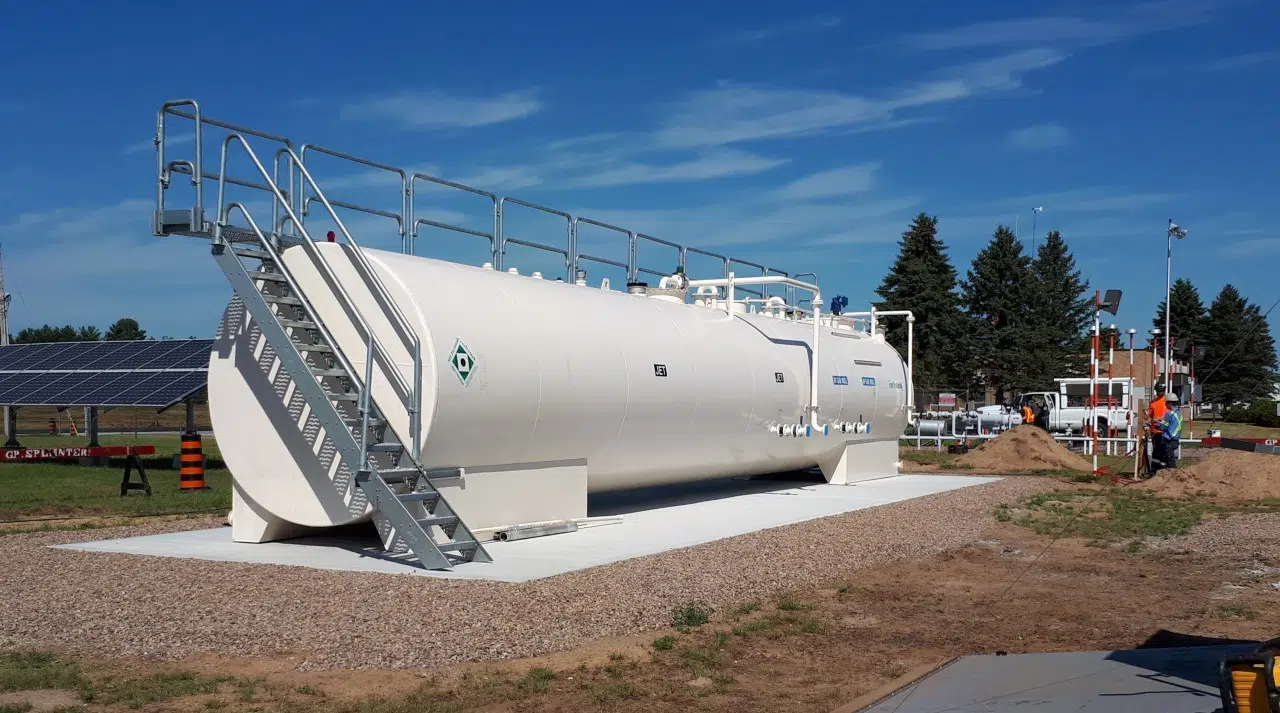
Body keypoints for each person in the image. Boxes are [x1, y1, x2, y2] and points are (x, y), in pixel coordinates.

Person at [1156, 393, 1184, 470]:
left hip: (1169, 440)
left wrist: (1155, 424)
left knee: (1169, 461)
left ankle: (1172, 474)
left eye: (1166, 402)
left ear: (1170, 403)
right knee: (1169, 459)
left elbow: (1163, 426)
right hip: (1176, 440)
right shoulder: (1179, 414)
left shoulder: (1169, 414)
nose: (1165, 404)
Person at [1147, 382, 1168, 475]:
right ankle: (1154, 470)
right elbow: (1149, 416)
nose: (1158, 393)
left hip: (1164, 431)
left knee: (1164, 451)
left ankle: (1164, 470)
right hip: (1154, 431)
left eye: (1160, 391)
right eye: (1157, 391)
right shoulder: (1153, 402)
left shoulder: (1167, 402)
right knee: (1155, 451)